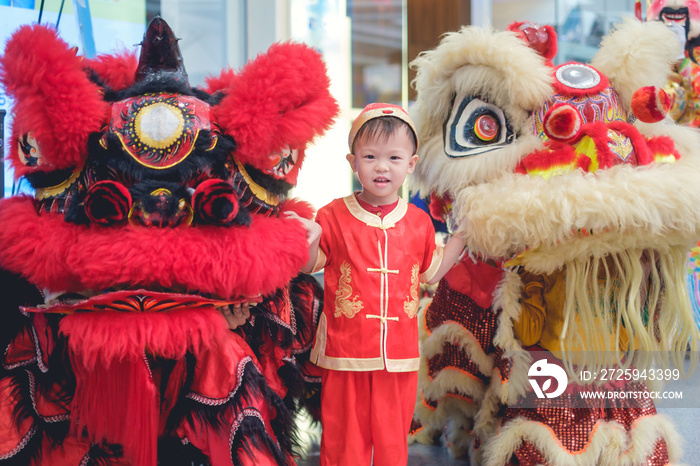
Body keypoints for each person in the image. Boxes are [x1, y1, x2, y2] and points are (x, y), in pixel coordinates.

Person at [288, 103, 465, 466]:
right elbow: (309, 266)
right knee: (343, 441)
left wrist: (463, 237)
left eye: (393, 157)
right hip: (345, 351)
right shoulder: (332, 215)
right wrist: (309, 237)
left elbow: (430, 272)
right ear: (353, 162)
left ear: (410, 164)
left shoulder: (419, 223)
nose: (382, 166)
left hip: (397, 355)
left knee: (391, 442)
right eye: (370, 156)